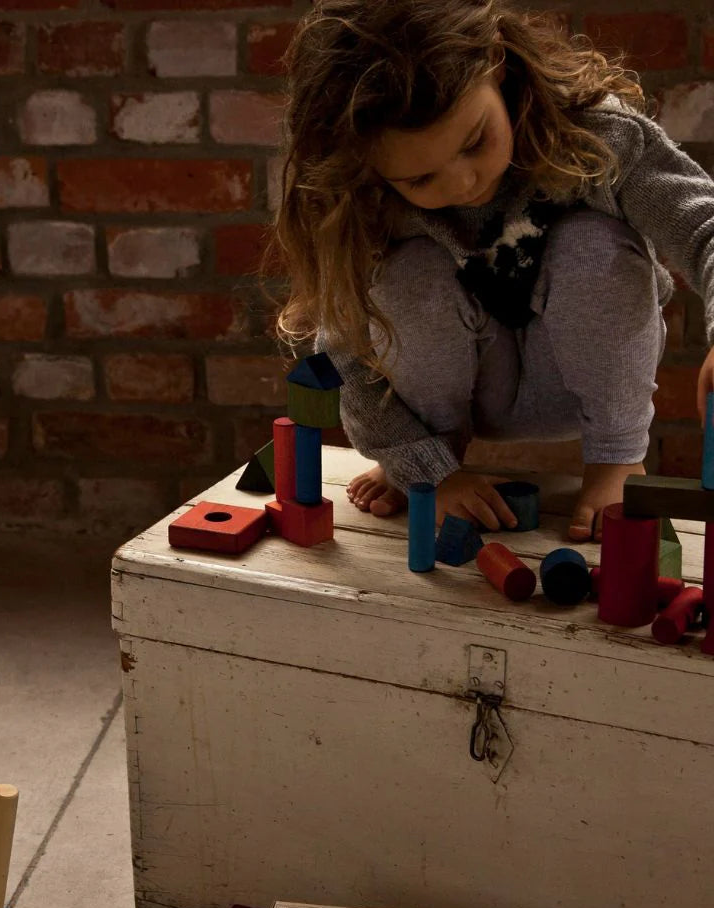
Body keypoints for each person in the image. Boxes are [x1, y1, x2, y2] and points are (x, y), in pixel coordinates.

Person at [272, 0, 714, 540]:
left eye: (475, 142)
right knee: (408, 274)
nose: (461, 184)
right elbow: (345, 353)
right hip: (456, 390)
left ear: (497, 64)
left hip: (582, 376)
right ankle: (435, 453)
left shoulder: (598, 135)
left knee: (593, 241)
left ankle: (616, 459)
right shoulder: (361, 201)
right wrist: (421, 465)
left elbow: (703, 225)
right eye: (421, 179)